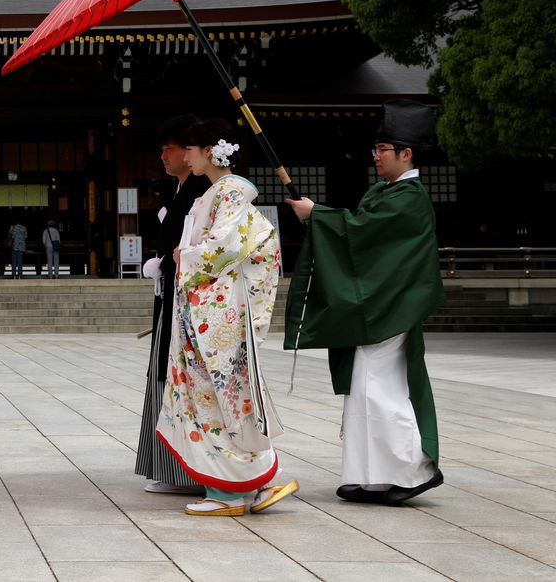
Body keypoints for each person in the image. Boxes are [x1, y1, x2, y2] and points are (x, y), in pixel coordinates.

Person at [285, 100, 445, 506]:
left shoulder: (409, 198)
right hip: (382, 307)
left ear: (406, 154)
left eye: (383, 150)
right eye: (376, 149)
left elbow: (360, 236)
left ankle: (410, 470)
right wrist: (319, 216)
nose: (375, 157)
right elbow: (359, 234)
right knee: (366, 387)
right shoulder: (387, 192)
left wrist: (317, 214)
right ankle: (370, 476)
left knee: (382, 389)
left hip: (392, 309)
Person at [155, 118, 297, 516]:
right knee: (224, 395)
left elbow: (225, 247)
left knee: (218, 395)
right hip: (206, 308)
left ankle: (231, 491)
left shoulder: (231, 192)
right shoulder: (217, 193)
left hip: (217, 312)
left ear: (209, 152)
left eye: (191, 149)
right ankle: (259, 478)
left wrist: (186, 257)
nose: (185, 156)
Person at [135, 114, 208, 495]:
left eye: (171, 148)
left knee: (181, 377)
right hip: (171, 297)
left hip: (190, 304)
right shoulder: (181, 191)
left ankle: (190, 470)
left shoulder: (203, 192)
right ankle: (170, 466)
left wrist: (164, 262)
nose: (163, 155)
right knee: (165, 375)